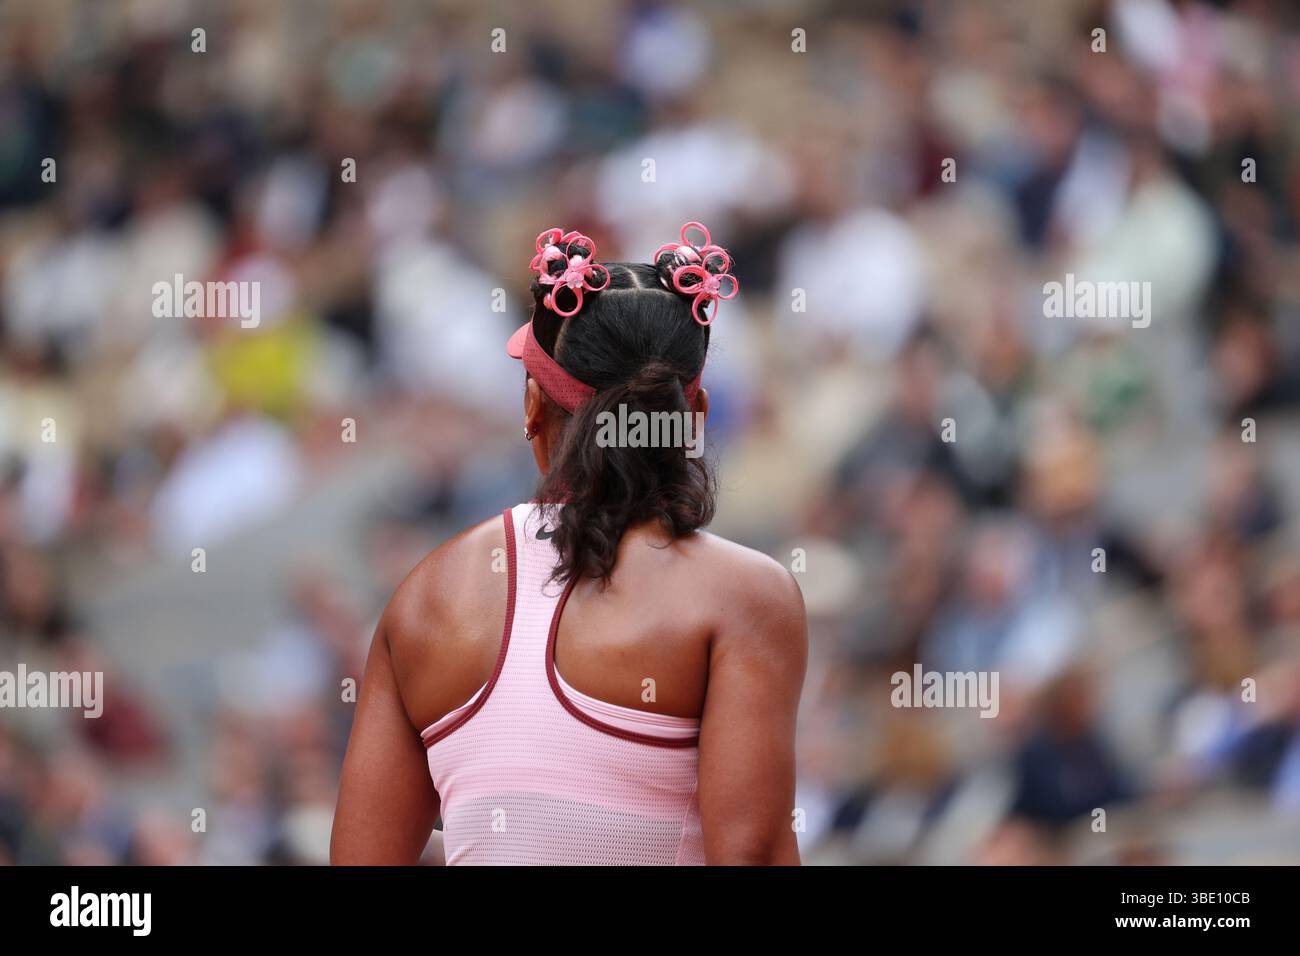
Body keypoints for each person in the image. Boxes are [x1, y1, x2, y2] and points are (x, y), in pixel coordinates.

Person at [331, 223, 807, 865]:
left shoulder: (425, 595)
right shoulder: (747, 595)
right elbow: (751, 854)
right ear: (692, 415)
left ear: (532, 407)